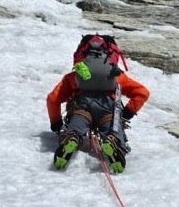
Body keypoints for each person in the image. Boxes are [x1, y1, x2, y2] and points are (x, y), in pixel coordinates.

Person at [46, 33, 149, 173]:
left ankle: (72, 138)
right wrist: (128, 112)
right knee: (113, 131)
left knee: (76, 127)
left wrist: (56, 123)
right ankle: (113, 142)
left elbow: (53, 99)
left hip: (81, 108)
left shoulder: (74, 76)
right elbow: (142, 93)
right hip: (108, 110)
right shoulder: (116, 76)